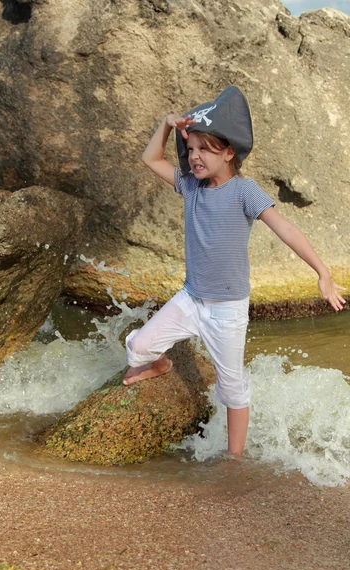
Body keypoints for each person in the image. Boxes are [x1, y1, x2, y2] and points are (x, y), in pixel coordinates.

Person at [122, 86, 346, 457]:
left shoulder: (245, 191)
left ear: (229, 152)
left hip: (227, 310)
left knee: (233, 386)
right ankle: (159, 364)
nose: (193, 156)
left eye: (203, 149)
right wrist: (165, 126)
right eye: (190, 149)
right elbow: (150, 159)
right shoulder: (190, 187)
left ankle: (234, 459)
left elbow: (286, 228)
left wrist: (322, 272)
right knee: (139, 348)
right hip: (192, 299)